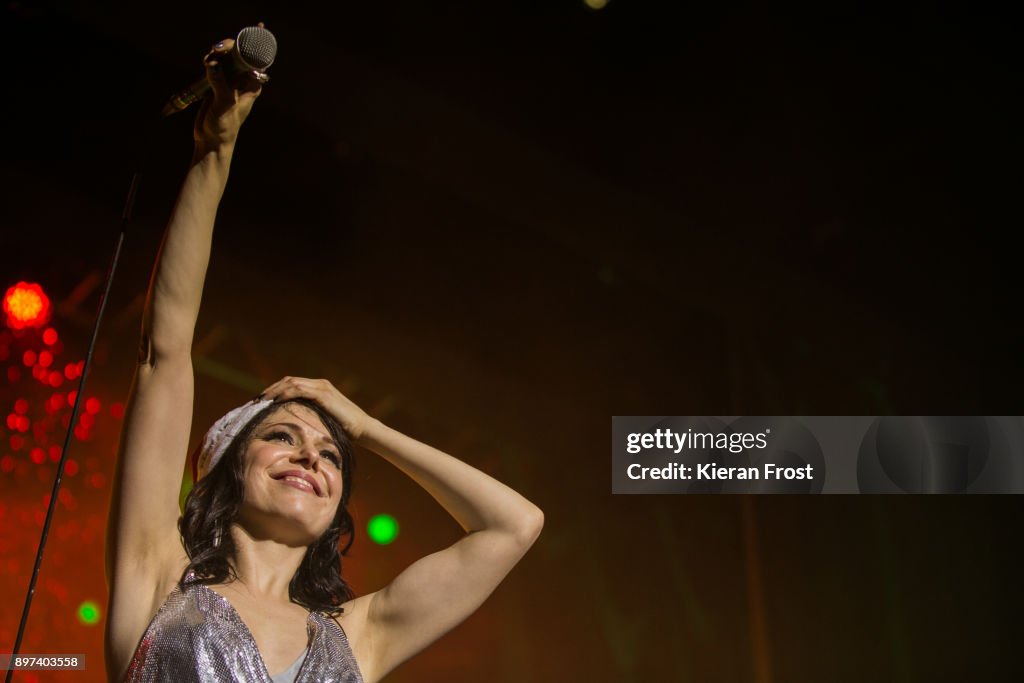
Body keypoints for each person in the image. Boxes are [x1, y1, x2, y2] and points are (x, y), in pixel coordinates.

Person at [103, 31, 544, 683]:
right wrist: (216, 149)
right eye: (282, 435)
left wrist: (366, 428)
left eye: (331, 454)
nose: (313, 454)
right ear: (222, 469)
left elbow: (514, 523)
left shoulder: (358, 634)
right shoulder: (159, 574)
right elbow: (163, 351)